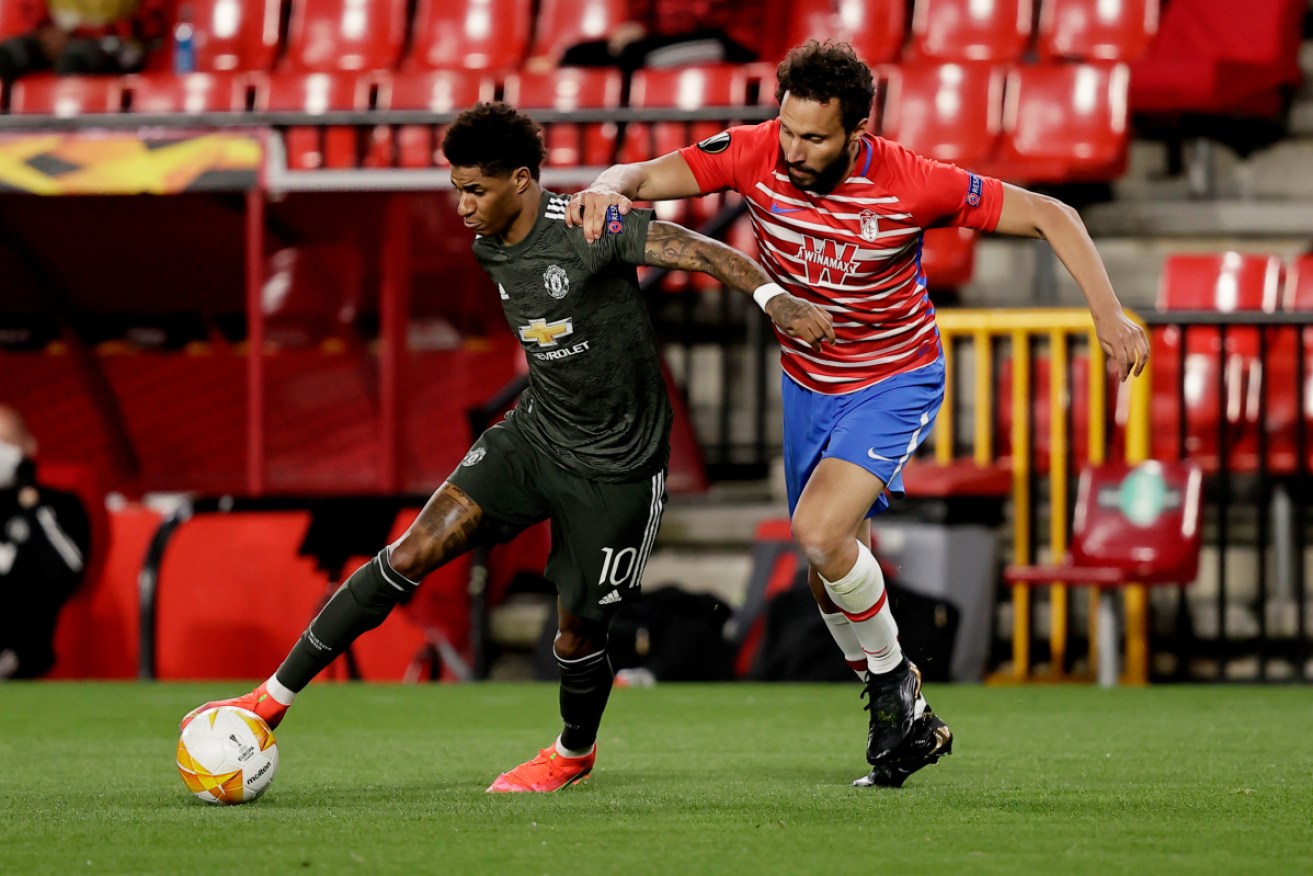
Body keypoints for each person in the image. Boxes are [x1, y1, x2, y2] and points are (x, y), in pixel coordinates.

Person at [181, 102, 830, 793]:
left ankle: (573, 753)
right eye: (455, 188)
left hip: (618, 469)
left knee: (575, 638)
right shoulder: (489, 240)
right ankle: (268, 702)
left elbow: (702, 251)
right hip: (534, 437)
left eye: (475, 190)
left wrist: (773, 299)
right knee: (409, 553)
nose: (461, 207)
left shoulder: (589, 227)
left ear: (521, 180)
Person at [567, 40, 1151, 787]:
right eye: (787, 130)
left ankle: (892, 688)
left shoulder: (912, 182)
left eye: (814, 138)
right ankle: (906, 721)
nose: (794, 150)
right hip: (807, 383)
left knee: (816, 533)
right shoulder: (753, 153)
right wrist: (608, 186)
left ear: (855, 133)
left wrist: (1107, 315)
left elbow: (1052, 214)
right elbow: (643, 174)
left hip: (892, 380)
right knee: (823, 577)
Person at [0, 404, 91, 680]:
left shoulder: (59, 505)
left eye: (6, 441)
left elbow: (67, 570)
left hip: (24, 659)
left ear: (28, 446)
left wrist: (31, 501)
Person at [543, 0, 762, 73]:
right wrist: (637, 25)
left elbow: (703, 13)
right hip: (667, 36)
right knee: (576, 55)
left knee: (638, 56)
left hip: (726, 40)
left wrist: (646, 32)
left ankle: (624, 138)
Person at [0, 0, 167, 85]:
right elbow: (33, 13)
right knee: (9, 53)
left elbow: (150, 24)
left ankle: (66, 139)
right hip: (61, 39)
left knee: (75, 57)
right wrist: (45, 34)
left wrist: (75, 34)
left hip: (123, 44)